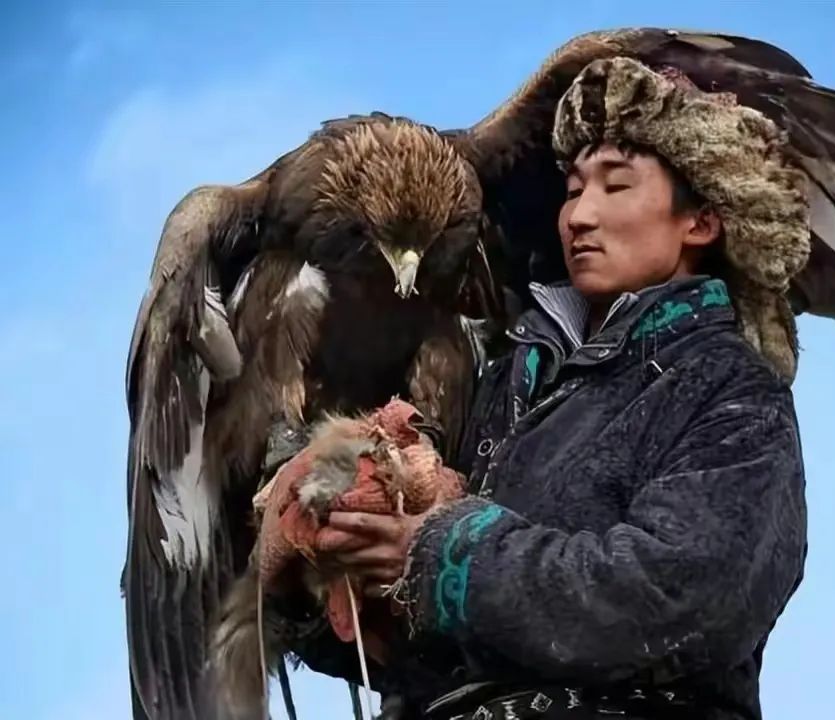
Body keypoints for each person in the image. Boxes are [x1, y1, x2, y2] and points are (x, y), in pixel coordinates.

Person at [306, 59, 809, 720]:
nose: (578, 216)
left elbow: (681, 595)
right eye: (572, 190)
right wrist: (329, 569)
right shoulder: (505, 383)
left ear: (702, 222)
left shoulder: (730, 389)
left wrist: (448, 554)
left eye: (616, 186)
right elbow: (431, 645)